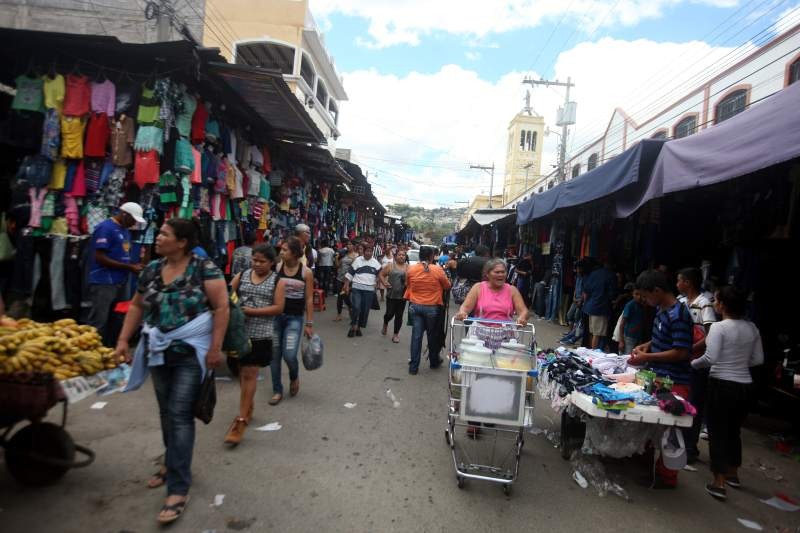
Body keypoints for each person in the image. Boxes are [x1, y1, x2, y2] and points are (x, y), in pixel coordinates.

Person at [114, 218, 229, 524]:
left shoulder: (205, 268)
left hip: (190, 354)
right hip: (157, 352)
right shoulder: (152, 269)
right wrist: (124, 339)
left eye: (164, 234)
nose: (158, 237)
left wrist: (216, 348)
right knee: (166, 412)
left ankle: (178, 487)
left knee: (179, 414)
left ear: (182, 242)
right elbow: (138, 306)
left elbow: (221, 307)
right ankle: (170, 462)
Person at [691, 286, 763, 500]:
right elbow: (757, 360)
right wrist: (739, 362)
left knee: (717, 432)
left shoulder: (720, 328)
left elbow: (710, 358)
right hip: (744, 386)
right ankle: (733, 474)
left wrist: (692, 364)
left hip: (722, 383)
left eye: (716, 300)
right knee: (733, 431)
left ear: (722, 305)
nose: (714, 303)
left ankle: (718, 482)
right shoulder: (752, 328)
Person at [629, 269, 693, 489]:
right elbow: (661, 338)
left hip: (675, 381)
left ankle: (667, 477)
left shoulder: (680, 315)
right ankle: (647, 464)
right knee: (652, 424)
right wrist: (646, 346)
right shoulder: (661, 310)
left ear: (657, 290)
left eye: (646, 296)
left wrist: (648, 356)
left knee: (669, 429)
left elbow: (681, 352)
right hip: (658, 376)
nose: (645, 301)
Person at [225, 244, 285, 445]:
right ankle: (248, 406)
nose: (257, 264)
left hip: (261, 334)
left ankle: (240, 420)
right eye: (254, 260)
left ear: (272, 263)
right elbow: (227, 296)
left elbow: (278, 308)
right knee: (242, 373)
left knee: (250, 373)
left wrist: (251, 311)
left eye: (262, 261)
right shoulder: (242, 275)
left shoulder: (277, 281)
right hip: (239, 333)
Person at [87, 202, 145, 345]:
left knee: (117, 319)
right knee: (99, 320)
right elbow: (100, 257)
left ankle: (111, 350)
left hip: (120, 280)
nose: (133, 223)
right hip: (104, 281)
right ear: (124, 214)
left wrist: (133, 266)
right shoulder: (106, 228)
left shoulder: (125, 230)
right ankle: (92, 350)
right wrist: (129, 267)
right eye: (133, 219)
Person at [677, 266, 718, 464]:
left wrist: (691, 348)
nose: (677, 284)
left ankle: (690, 448)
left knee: (694, 405)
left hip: (697, 362)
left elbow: (710, 334)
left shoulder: (704, 304)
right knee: (679, 401)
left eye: (679, 280)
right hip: (680, 360)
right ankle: (677, 444)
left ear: (688, 283)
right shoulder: (680, 301)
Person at [270, 236, 314, 405]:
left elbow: (309, 299)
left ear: (295, 253)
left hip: (294, 319)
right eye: (281, 249)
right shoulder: (277, 267)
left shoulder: (306, 272)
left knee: (289, 355)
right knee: (274, 355)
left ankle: (294, 377)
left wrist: (309, 324)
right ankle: (277, 390)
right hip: (276, 317)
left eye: (285, 250)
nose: (281, 252)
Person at [405, 246, 452, 374]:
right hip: (432, 308)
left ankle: (413, 367)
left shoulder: (411, 269)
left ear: (420, 256)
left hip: (415, 306)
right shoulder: (437, 270)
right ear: (432, 256)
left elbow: (408, 285)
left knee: (416, 337)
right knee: (432, 336)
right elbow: (447, 286)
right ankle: (433, 362)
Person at [343, 238, 381, 337]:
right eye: (367, 251)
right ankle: (353, 325)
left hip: (369, 291)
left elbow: (380, 274)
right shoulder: (357, 261)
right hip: (357, 288)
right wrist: (346, 285)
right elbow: (349, 274)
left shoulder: (376, 263)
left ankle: (358, 327)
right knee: (356, 307)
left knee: (364, 310)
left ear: (372, 252)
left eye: (370, 251)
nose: (368, 253)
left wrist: (378, 281)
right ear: (363, 252)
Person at [582, 261, 617, 349]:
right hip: (600, 307)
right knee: (597, 334)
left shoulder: (594, 274)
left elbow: (586, 290)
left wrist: (584, 304)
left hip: (589, 307)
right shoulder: (611, 275)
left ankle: (591, 351)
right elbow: (612, 294)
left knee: (593, 332)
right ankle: (593, 353)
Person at [379, 249, 408, 343]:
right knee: (389, 314)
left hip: (402, 296)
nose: (401, 256)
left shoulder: (408, 267)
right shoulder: (390, 266)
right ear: (396, 256)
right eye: (399, 254)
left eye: (403, 255)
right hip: (391, 295)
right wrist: (384, 282)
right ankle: (385, 323)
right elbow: (381, 274)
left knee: (399, 316)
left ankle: (396, 334)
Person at [618, 288, 646, 354]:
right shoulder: (630, 306)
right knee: (628, 356)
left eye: (640, 294)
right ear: (632, 294)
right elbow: (622, 324)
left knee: (635, 356)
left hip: (638, 336)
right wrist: (621, 341)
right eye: (636, 294)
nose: (639, 297)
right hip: (629, 337)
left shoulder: (642, 305)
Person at [334, 241, 357, 322]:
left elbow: (354, 268)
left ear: (354, 246)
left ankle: (351, 308)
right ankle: (339, 314)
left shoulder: (356, 256)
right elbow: (338, 265)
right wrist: (337, 258)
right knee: (340, 297)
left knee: (346, 296)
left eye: (350, 244)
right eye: (347, 244)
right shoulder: (343, 254)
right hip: (340, 278)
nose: (348, 245)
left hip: (349, 280)